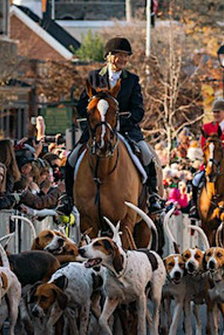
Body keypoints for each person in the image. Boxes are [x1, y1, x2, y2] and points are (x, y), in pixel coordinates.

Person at [57, 37, 163, 215]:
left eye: (125, 56)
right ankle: (67, 198)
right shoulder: (94, 78)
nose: (122, 59)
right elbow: (81, 106)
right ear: (108, 57)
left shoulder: (132, 80)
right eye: (117, 55)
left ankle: (152, 196)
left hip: (126, 130)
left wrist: (120, 121)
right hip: (97, 129)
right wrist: (95, 117)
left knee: (146, 155)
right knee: (72, 158)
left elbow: (139, 110)